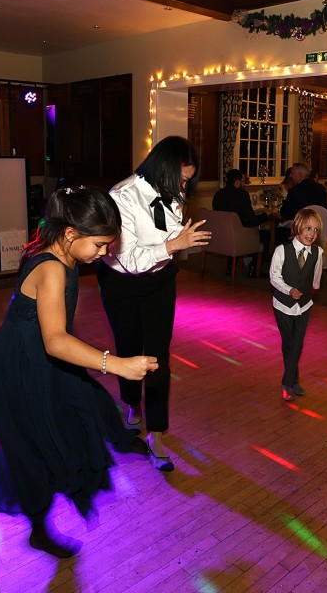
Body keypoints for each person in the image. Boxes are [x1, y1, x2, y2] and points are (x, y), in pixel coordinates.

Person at [0, 186, 158, 558]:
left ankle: (118, 442)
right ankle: (39, 530)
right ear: (71, 234)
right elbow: (55, 340)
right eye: (99, 244)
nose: (104, 252)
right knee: (35, 450)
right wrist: (117, 363)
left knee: (85, 412)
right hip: (16, 370)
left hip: (39, 361)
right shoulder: (51, 268)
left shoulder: (62, 256)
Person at [97, 136, 211, 472]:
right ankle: (132, 403)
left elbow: (167, 244)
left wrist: (176, 243)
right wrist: (174, 243)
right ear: (163, 167)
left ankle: (157, 434)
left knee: (158, 357)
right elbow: (129, 259)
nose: (184, 187)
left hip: (160, 281)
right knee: (129, 349)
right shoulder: (122, 196)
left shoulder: (172, 194)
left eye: (188, 181)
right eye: (182, 179)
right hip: (122, 283)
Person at [270, 207, 324, 403]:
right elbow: (274, 277)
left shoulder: (318, 252)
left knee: (298, 343)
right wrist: (288, 290)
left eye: (316, 230)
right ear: (298, 227)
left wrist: (314, 288)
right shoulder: (281, 251)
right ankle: (294, 380)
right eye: (308, 228)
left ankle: (287, 382)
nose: (312, 234)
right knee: (289, 344)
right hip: (282, 305)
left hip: (304, 305)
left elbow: (316, 274)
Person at [214, 168, 271, 276]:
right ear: (237, 182)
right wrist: (266, 215)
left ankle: (230, 267)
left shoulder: (218, 194)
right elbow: (252, 220)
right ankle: (253, 269)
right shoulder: (242, 194)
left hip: (222, 235)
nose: (244, 184)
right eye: (243, 182)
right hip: (238, 236)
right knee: (265, 235)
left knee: (238, 230)